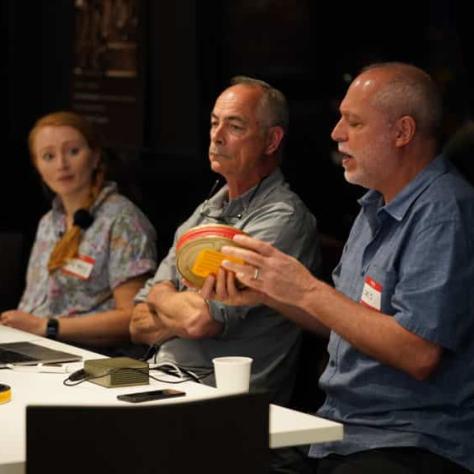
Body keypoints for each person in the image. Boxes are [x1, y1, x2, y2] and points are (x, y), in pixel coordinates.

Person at [216, 63, 474, 473]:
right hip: (340, 429)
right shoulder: (375, 204)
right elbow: (348, 320)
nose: (336, 133)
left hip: (412, 440)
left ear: (402, 132)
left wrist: (306, 290)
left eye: (353, 122)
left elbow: (418, 352)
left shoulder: (443, 212)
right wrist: (269, 291)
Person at [130, 76, 320, 406]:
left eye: (234, 126)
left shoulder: (282, 218)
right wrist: (170, 300)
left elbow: (200, 320)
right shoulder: (206, 210)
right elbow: (136, 323)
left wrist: (162, 297)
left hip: (225, 406)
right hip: (160, 384)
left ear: (271, 140)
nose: (217, 137)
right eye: (214, 123)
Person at [0, 111, 157, 355]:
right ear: (37, 165)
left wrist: (47, 327)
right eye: (48, 156)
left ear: (95, 157)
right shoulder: (48, 222)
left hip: (88, 362)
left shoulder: (122, 220)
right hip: (32, 351)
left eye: (73, 151)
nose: (61, 164)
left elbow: (135, 318)